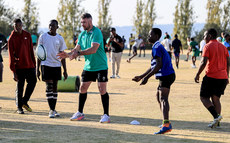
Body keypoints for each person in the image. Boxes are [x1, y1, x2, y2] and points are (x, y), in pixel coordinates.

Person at [57, 13, 111, 123]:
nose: (82, 24)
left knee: (102, 89)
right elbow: (76, 49)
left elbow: (93, 49)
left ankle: (106, 115)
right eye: (81, 22)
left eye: (84, 22)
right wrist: (67, 54)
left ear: (90, 22)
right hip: (89, 66)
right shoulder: (82, 34)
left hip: (101, 66)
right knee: (82, 88)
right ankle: (80, 112)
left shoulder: (97, 32)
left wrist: (78, 53)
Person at [132, 28, 175, 134]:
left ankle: (166, 124)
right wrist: (141, 76)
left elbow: (159, 65)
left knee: (163, 98)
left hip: (166, 75)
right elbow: (154, 66)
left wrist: (146, 78)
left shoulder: (156, 46)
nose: (148, 36)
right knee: (158, 96)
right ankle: (165, 122)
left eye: (150, 35)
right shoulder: (156, 46)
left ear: (156, 36)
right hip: (167, 74)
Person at [195, 28, 229, 128]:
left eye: (204, 36)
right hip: (223, 77)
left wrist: (197, 74)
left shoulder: (207, 46)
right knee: (216, 99)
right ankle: (217, 123)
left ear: (209, 36)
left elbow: (203, 62)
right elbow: (228, 63)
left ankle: (216, 116)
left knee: (204, 97)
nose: (203, 38)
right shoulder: (223, 47)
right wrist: (227, 76)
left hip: (211, 76)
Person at [37, 19, 68, 118]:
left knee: (55, 87)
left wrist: (65, 70)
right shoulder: (43, 37)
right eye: (50, 25)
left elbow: (62, 56)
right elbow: (39, 53)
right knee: (49, 86)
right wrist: (37, 69)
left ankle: (53, 109)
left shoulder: (60, 38)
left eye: (53, 26)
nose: (51, 27)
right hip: (46, 65)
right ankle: (51, 110)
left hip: (57, 66)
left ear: (57, 27)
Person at [8, 18, 37, 114]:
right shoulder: (12, 38)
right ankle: (19, 107)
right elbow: (11, 56)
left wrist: (34, 64)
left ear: (22, 25)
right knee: (20, 87)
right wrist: (13, 72)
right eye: (16, 26)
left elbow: (31, 51)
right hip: (19, 67)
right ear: (14, 26)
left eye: (20, 26)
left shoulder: (27, 35)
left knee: (33, 82)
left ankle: (24, 101)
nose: (18, 28)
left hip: (30, 65)